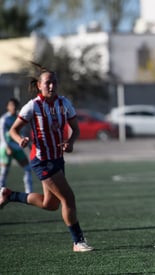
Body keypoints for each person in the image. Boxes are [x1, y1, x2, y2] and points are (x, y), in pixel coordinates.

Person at [0, 63, 93, 252]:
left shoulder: (64, 103)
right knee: (68, 198)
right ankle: (78, 241)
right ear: (39, 86)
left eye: (54, 83)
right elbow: (13, 130)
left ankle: (9, 195)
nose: (52, 86)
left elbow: (75, 129)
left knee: (50, 204)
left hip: (57, 159)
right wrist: (21, 140)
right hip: (42, 160)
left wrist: (71, 142)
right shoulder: (32, 106)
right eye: (48, 83)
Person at [0, 98, 33, 193]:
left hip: (17, 147)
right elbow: (2, 135)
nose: (13, 107)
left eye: (15, 105)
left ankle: (29, 192)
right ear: (7, 107)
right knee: (4, 172)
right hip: (6, 148)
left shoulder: (18, 118)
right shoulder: (4, 119)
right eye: (11, 105)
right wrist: (7, 147)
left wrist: (29, 144)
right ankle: (0, 193)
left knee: (27, 169)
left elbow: (21, 133)